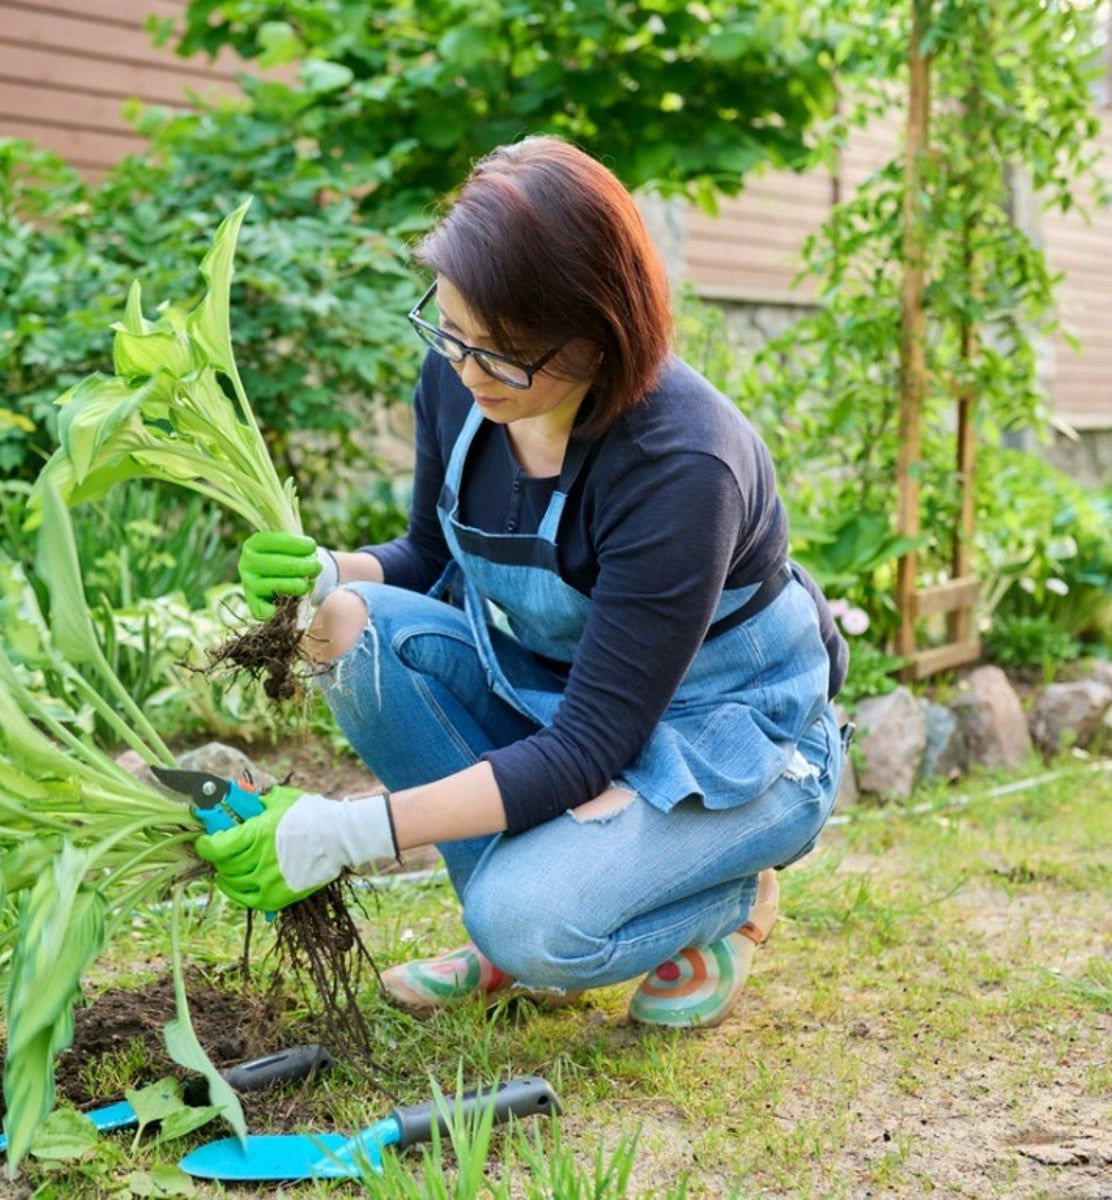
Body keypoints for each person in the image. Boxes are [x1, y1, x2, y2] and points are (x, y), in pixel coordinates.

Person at [195, 136, 849, 1029]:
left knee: (535, 925)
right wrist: (327, 569)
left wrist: (343, 833)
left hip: (727, 741)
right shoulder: (461, 376)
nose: (469, 370)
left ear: (601, 331)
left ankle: (730, 898)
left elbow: (588, 748)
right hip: (569, 704)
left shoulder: (682, 465)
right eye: (454, 332)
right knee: (344, 628)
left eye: (505, 354)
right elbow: (429, 556)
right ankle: (497, 931)